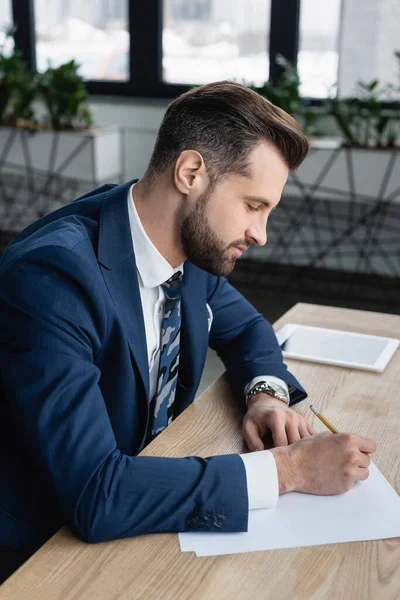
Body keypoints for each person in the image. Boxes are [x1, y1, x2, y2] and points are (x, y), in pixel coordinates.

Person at [0, 81, 376, 582]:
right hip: (41, 553)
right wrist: (292, 471)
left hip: (147, 509)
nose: (260, 234)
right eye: (253, 206)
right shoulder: (53, 278)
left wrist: (265, 395)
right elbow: (95, 493)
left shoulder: (189, 248)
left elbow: (248, 330)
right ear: (191, 172)